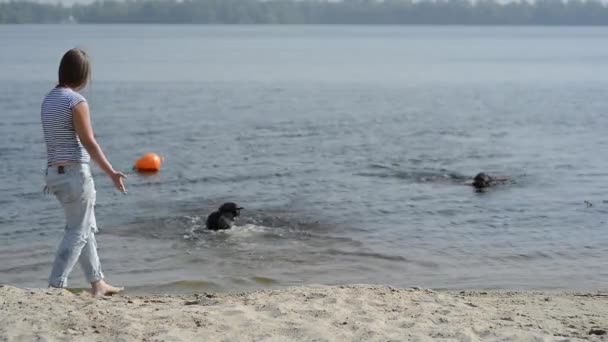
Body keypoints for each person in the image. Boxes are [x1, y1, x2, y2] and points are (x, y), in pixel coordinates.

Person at [41, 48, 126, 297]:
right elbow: (89, 142)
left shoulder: (48, 99)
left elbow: (53, 140)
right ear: (83, 75)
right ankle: (56, 286)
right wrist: (111, 172)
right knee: (77, 231)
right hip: (74, 174)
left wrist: (53, 174)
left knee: (84, 226)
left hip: (54, 173)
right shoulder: (76, 101)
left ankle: (98, 283)